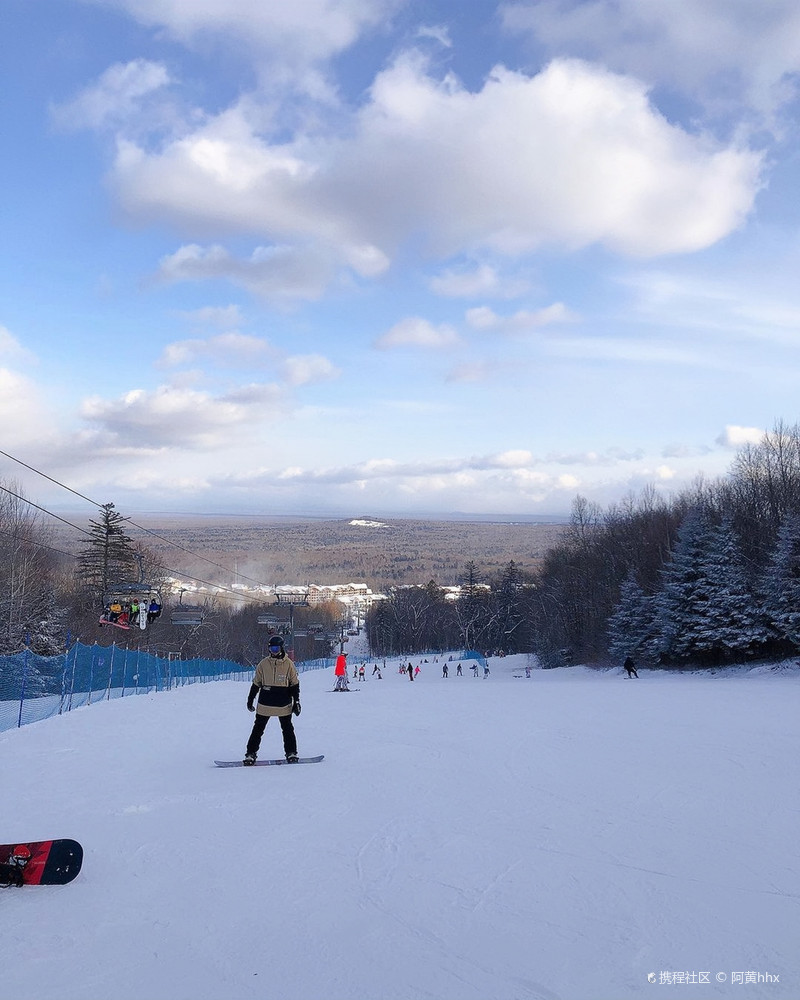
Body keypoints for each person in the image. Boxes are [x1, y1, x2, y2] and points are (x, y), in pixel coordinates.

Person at [243, 636, 300, 764]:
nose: (273, 651)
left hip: (283, 703)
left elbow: (294, 685)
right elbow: (256, 683)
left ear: (281, 648)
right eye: (271, 648)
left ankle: (291, 752)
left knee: (287, 729)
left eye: (276, 648)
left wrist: (296, 702)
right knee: (258, 729)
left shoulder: (288, 664)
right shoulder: (263, 664)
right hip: (265, 703)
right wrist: (250, 699)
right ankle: (251, 753)